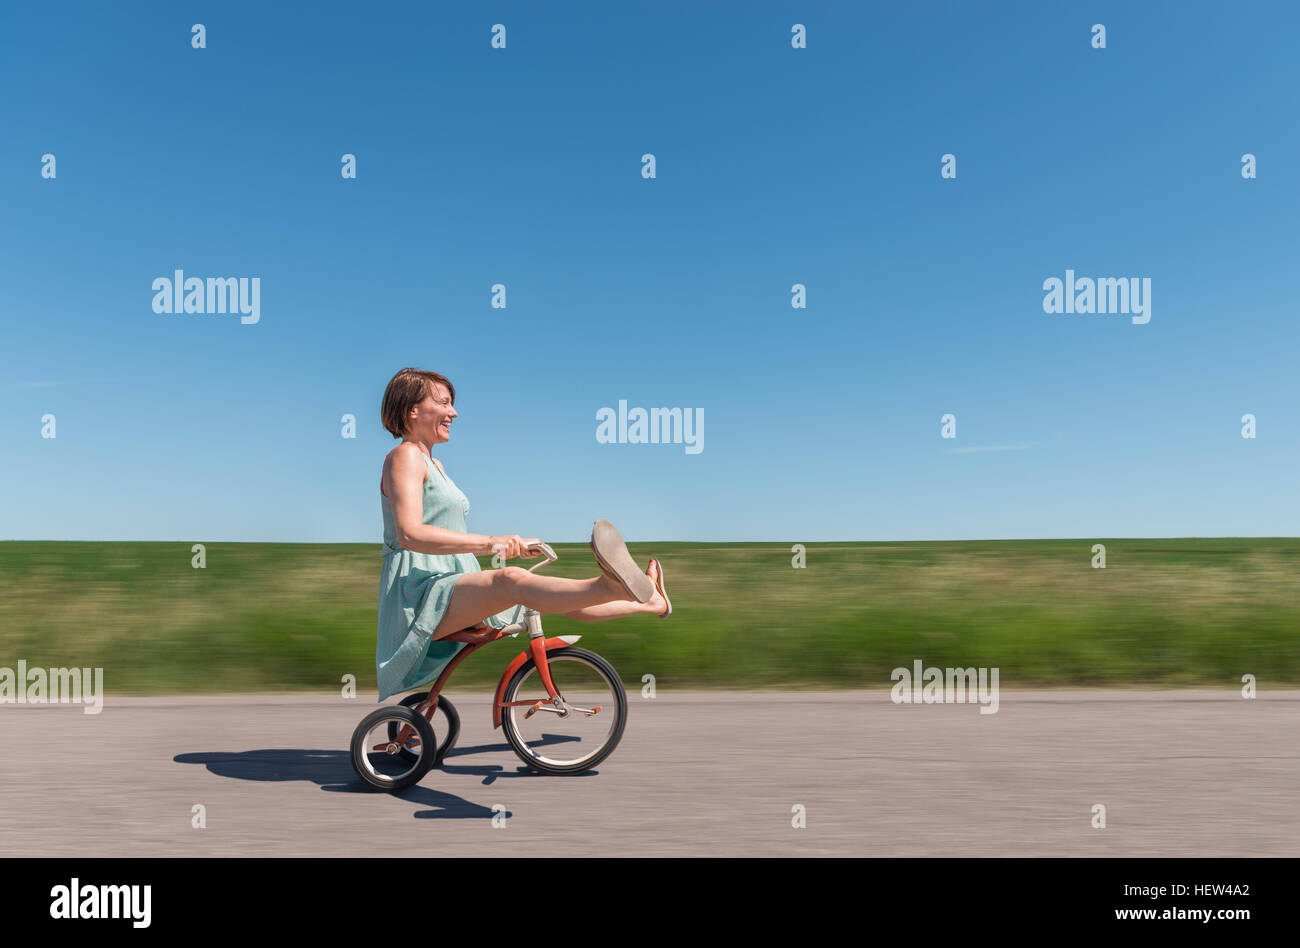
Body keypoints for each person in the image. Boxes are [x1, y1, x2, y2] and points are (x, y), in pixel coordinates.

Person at [375, 367, 671, 702]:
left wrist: (511, 546)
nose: (453, 412)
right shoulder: (405, 457)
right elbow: (410, 534)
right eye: (444, 403)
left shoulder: (436, 465)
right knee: (511, 580)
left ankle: (648, 601)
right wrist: (493, 543)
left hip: (451, 580)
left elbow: (446, 533)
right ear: (413, 409)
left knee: (553, 599)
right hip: (419, 591)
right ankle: (610, 585)